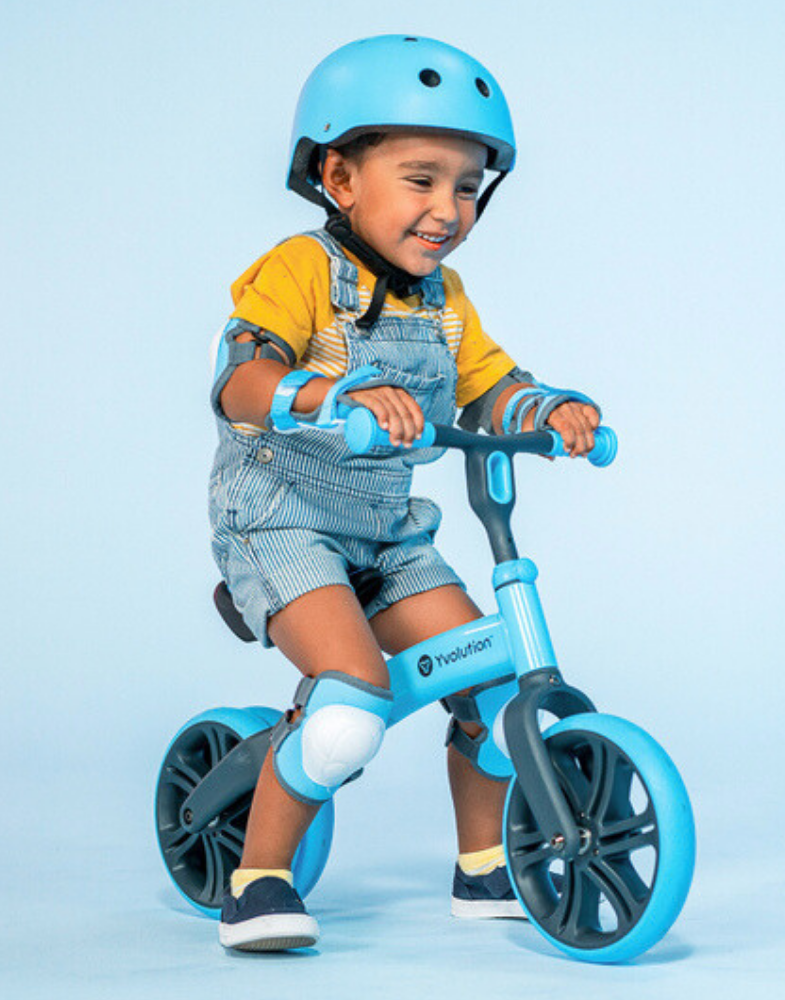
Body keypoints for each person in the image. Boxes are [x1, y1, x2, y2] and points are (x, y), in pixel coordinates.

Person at [209, 34, 601, 952]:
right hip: (282, 521)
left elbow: (490, 382)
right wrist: (328, 392)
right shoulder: (300, 271)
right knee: (349, 709)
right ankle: (257, 882)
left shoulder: (445, 299)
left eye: (466, 187)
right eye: (421, 179)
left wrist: (546, 408)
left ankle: (482, 868)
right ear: (340, 177)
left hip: (387, 533)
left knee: (493, 680)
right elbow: (239, 383)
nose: (447, 210)